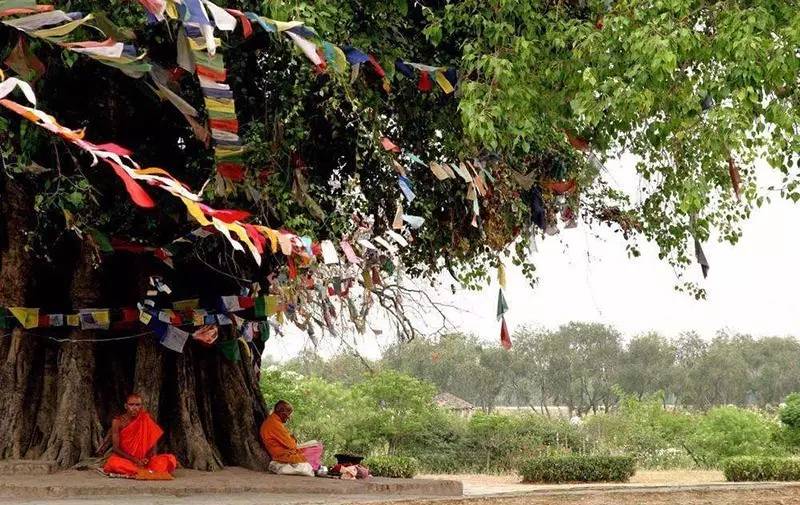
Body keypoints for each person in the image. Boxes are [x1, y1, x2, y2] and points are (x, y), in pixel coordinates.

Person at [102, 393, 177, 479]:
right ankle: (146, 471)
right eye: (131, 405)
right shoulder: (118, 422)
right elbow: (116, 448)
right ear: (126, 406)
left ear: (141, 406)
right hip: (126, 460)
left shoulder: (146, 418)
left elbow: (153, 443)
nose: (134, 408)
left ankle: (142, 470)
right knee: (113, 463)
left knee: (170, 459)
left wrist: (148, 458)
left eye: (137, 405)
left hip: (144, 461)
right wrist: (134, 460)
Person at [260, 400, 323, 476]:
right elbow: (292, 445)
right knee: (316, 447)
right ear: (281, 411)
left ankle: (314, 467)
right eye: (288, 414)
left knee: (316, 445)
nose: (289, 417)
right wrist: (292, 439)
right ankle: (314, 467)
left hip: (284, 452)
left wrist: (290, 438)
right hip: (283, 455)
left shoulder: (273, 421)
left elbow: (286, 440)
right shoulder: (274, 424)